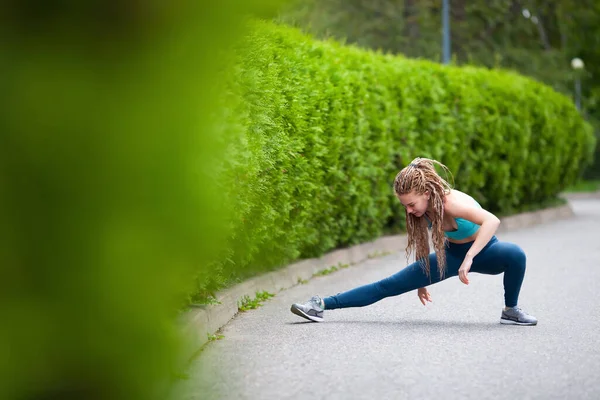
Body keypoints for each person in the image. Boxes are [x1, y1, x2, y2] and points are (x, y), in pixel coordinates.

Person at [290, 157, 537, 326]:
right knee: (386, 286)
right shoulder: (422, 209)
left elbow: (491, 220)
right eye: (404, 205)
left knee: (516, 254)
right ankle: (320, 304)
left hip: (485, 251)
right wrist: (421, 280)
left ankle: (511, 311)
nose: (408, 210)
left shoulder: (450, 202)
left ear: (427, 194)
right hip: (450, 256)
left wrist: (470, 257)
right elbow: (422, 241)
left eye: (411, 204)